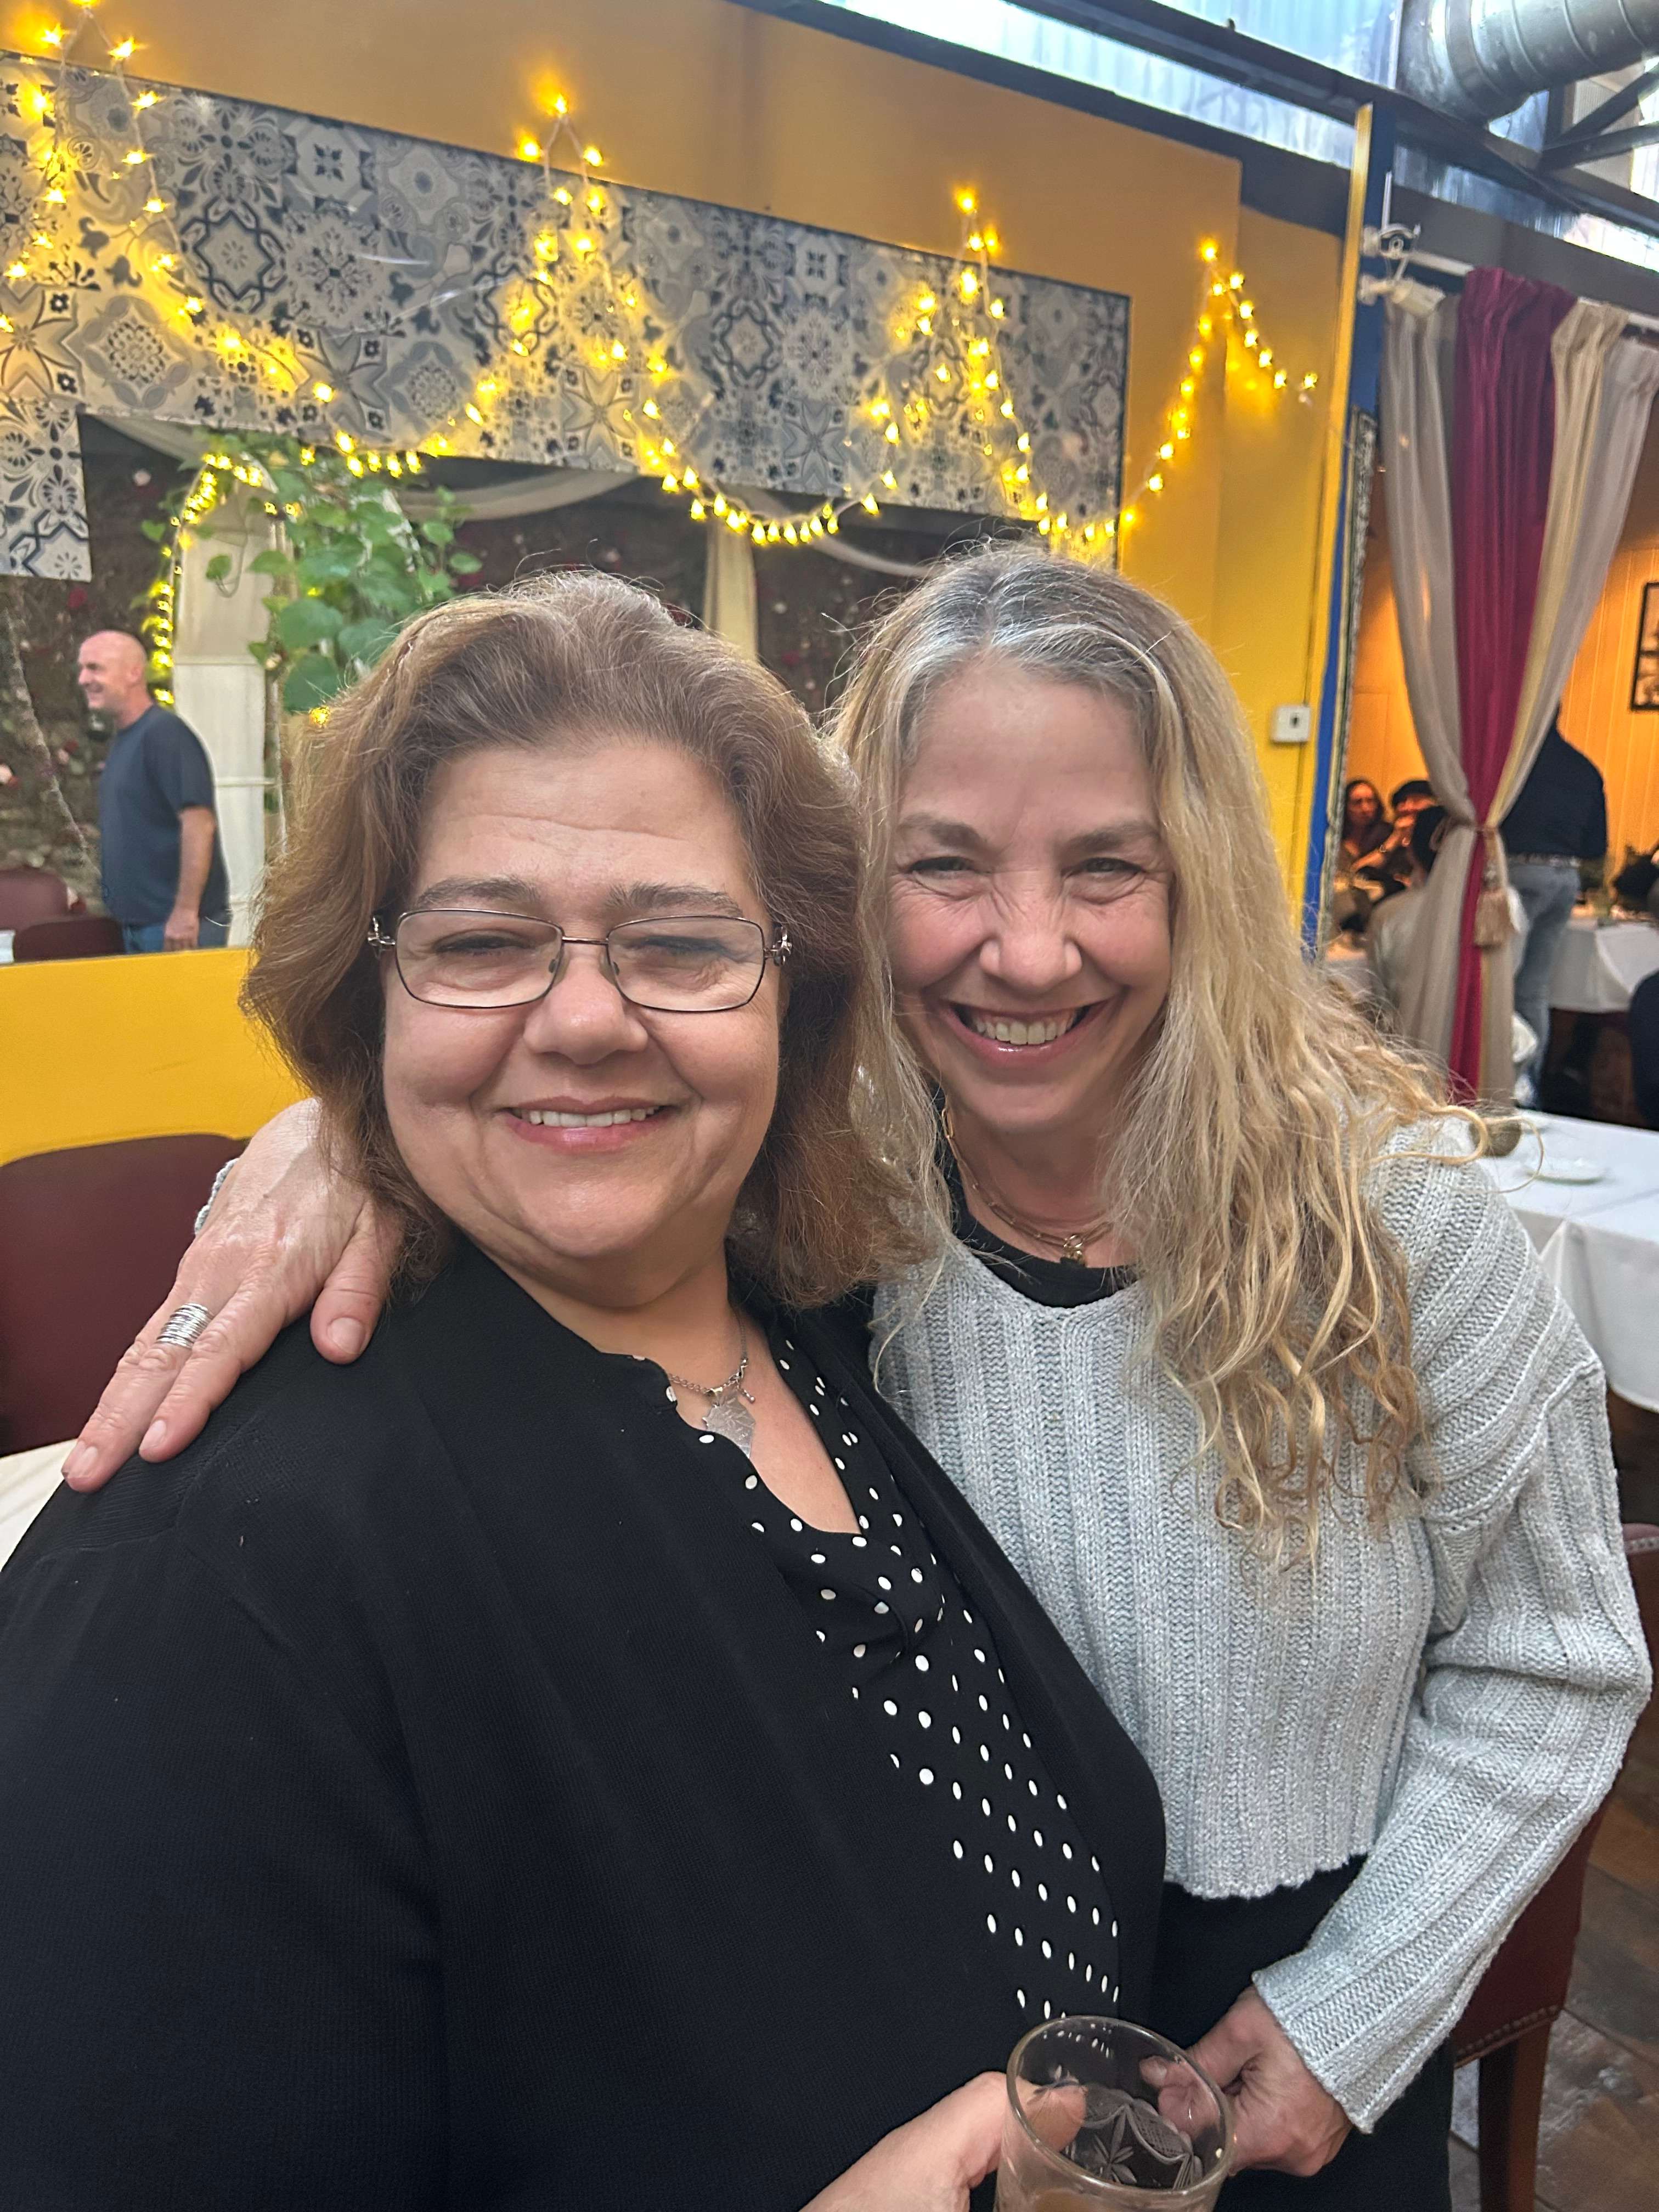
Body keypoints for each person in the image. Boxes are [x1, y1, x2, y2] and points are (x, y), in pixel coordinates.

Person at [65, 550, 1650, 2210]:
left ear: (1202, 883)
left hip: (1312, 2054)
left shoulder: (1396, 1235)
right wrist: (340, 1138)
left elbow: (1557, 1658)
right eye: (943, 864)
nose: (1024, 952)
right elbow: (573, 1112)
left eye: (1106, 867)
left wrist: (1358, 2011)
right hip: (932, 2117)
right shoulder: (830, 1228)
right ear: (842, 901)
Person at [2, 576, 1166, 2210]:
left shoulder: (843, 1330)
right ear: (369, 995)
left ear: (796, 999)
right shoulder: (212, 1587)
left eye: (679, 944)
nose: (586, 1019)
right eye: (482, 945)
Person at [79, 628, 231, 951]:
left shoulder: (165, 735)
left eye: (95, 668)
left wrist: (185, 912)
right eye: (82, 669)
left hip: (176, 928)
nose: (83, 679)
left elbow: (199, 824)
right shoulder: (126, 740)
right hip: (141, 926)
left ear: (134, 673)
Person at [1502, 716, 1608, 1098]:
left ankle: (1497, 1078)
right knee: (1534, 989)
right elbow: (1596, 846)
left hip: (1517, 870)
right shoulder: (1585, 768)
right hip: (1566, 878)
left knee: (1498, 982)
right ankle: (1528, 1085)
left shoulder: (1512, 763)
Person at [1338, 779, 1390, 865]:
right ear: (1345, 807)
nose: (1365, 809)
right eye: (1357, 802)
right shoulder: (1335, 838)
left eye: (1370, 801)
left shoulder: (1387, 834)